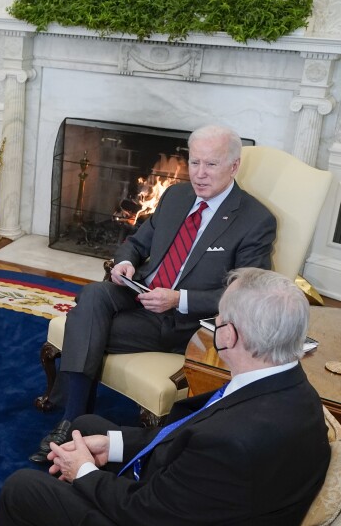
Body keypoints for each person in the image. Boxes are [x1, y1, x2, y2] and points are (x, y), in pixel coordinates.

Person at [0, 267, 329, 526]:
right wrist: (113, 445)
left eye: (218, 319)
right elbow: (190, 434)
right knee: (87, 426)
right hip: (198, 508)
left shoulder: (233, 440)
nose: (215, 326)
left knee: (23, 489)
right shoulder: (287, 385)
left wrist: (83, 473)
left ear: (231, 336)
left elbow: (145, 512)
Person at [31, 124, 276, 463]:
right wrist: (125, 264)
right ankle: (76, 422)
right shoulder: (176, 196)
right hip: (140, 293)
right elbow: (135, 243)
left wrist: (179, 299)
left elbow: (247, 293)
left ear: (234, 166)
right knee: (94, 295)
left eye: (211, 165)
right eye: (194, 163)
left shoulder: (255, 220)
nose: (199, 174)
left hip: (181, 322)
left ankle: (70, 420)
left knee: (82, 320)